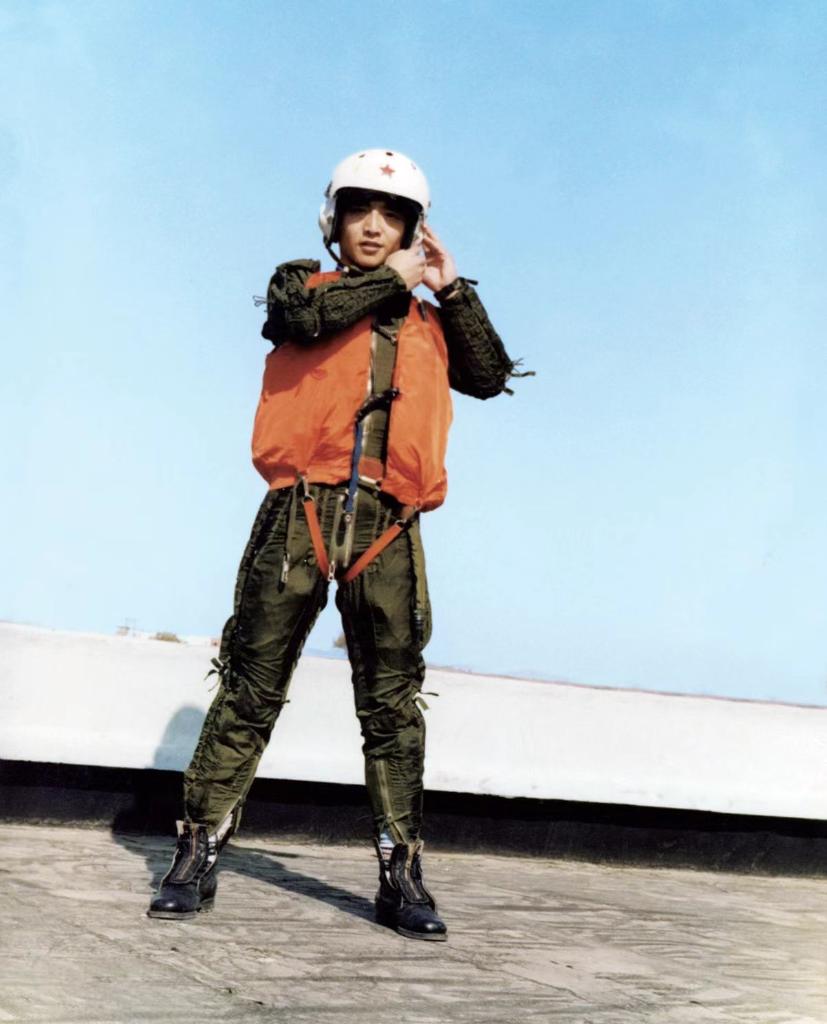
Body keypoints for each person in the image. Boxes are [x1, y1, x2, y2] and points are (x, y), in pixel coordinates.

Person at [147, 148, 528, 940]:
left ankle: (401, 874)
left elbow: (488, 375)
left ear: (414, 230)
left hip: (389, 524)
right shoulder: (301, 286)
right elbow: (300, 321)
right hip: (299, 514)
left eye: (393, 216)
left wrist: (451, 288)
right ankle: (196, 855)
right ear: (335, 219)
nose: (374, 226)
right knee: (249, 689)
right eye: (361, 211)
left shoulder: (431, 322)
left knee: (392, 707)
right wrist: (396, 279)